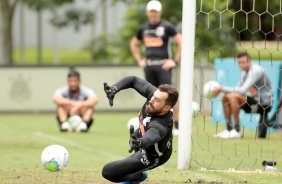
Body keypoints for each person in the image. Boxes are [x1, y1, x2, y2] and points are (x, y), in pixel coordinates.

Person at [102, 76, 179, 183]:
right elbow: (133, 80)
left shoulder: (161, 124)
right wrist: (114, 89)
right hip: (147, 138)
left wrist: (140, 142)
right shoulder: (154, 96)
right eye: (153, 96)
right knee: (137, 133)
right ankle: (135, 171)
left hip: (153, 155)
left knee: (107, 171)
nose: (152, 100)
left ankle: (136, 177)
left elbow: (152, 136)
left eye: (157, 100)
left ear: (167, 107)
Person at [130, 0, 182, 135]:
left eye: (156, 11)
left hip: (163, 67)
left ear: (160, 12)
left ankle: (176, 126)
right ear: (147, 12)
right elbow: (134, 44)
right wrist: (140, 60)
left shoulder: (167, 27)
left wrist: (175, 61)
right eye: (151, 11)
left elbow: (181, 42)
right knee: (151, 97)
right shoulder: (143, 28)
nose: (153, 14)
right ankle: (150, 123)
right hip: (149, 67)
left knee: (169, 96)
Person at [213, 52, 273, 139]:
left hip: (264, 104)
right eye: (239, 62)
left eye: (243, 62)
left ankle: (237, 131)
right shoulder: (245, 73)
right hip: (254, 101)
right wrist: (223, 91)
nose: (241, 64)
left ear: (249, 61)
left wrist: (221, 88)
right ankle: (229, 130)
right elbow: (237, 88)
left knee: (233, 96)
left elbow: (242, 90)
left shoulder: (256, 71)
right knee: (225, 97)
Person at [52, 68, 98, 132]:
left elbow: (95, 99)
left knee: (90, 106)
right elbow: (55, 98)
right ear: (68, 81)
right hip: (68, 114)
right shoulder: (63, 90)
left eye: (75, 81)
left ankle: (84, 124)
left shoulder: (85, 90)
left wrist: (81, 104)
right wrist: (72, 103)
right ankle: (64, 124)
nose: (73, 83)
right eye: (71, 81)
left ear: (79, 81)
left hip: (81, 114)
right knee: (60, 105)